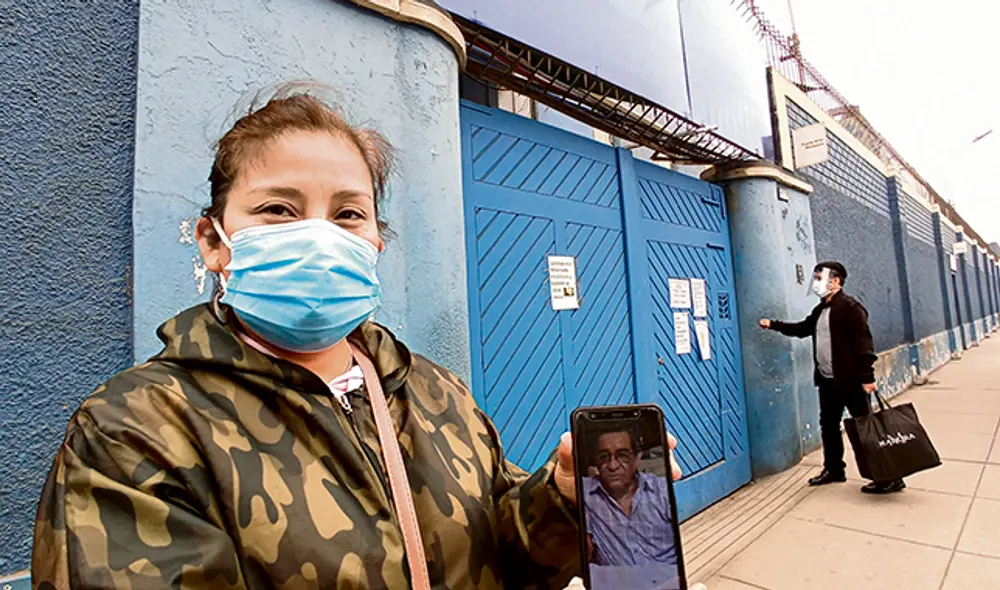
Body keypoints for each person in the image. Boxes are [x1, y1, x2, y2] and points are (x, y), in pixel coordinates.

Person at [31, 85, 685, 590]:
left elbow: (503, 553)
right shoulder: (134, 429)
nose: (320, 235)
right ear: (214, 242)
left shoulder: (434, 392)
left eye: (348, 213)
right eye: (278, 210)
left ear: (376, 242)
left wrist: (563, 503)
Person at [759, 261, 905, 495]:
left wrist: (867, 377)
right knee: (828, 426)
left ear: (835, 281)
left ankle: (889, 476)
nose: (816, 283)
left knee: (863, 429)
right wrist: (774, 325)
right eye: (815, 278)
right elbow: (802, 328)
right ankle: (834, 469)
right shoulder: (821, 310)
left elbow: (864, 345)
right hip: (828, 381)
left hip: (853, 382)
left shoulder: (850, 307)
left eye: (820, 278)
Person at [582, 430, 678, 590]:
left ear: (637, 458)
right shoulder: (585, 493)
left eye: (622, 455)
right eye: (604, 457)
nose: (612, 465)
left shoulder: (662, 491)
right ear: (596, 463)